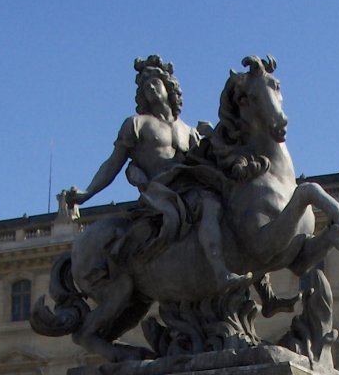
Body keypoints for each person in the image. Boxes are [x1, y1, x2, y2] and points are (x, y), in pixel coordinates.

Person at [65, 55, 253, 296]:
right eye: (145, 87)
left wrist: (214, 137)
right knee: (210, 204)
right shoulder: (136, 124)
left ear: (169, 88)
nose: (151, 89)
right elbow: (113, 164)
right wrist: (87, 193)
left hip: (190, 187)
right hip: (160, 193)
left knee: (237, 210)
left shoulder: (189, 131)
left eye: (155, 83)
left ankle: (262, 289)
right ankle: (220, 272)